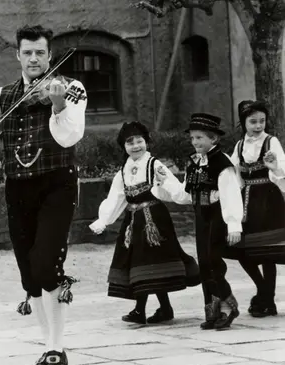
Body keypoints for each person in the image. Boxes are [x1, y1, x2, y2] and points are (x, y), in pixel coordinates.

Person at [0, 25, 87, 365]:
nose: (34, 59)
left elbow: (70, 136)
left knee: (46, 263)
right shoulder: (3, 96)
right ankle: (48, 348)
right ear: (17, 55)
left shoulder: (72, 88)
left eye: (40, 53)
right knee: (30, 273)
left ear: (50, 55)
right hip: (18, 188)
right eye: (27, 52)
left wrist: (58, 104)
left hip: (57, 184)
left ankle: (57, 349)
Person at [89, 121, 200, 325]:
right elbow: (116, 198)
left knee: (151, 262)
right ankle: (160, 309)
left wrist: (181, 190)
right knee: (140, 264)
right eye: (130, 142)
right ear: (124, 146)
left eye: (139, 141)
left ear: (146, 142)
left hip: (154, 222)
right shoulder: (123, 171)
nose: (135, 146)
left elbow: (173, 189)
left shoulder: (154, 165)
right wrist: (103, 220)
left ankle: (144, 310)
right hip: (133, 222)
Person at [157, 113, 244, 330]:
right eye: (192, 138)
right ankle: (213, 311)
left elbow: (230, 195)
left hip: (217, 215)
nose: (195, 142)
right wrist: (165, 182)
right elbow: (185, 195)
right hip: (201, 215)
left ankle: (229, 306)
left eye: (200, 138)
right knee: (205, 263)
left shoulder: (222, 163)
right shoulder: (194, 163)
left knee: (214, 261)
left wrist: (234, 224)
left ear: (213, 139)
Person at [226, 100, 285, 317]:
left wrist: (274, 167)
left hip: (269, 201)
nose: (258, 125)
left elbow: (282, 170)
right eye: (253, 121)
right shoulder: (239, 145)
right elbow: (233, 173)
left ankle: (268, 302)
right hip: (247, 203)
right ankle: (263, 292)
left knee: (267, 252)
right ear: (244, 122)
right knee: (244, 250)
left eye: (262, 121)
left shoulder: (271, 141)